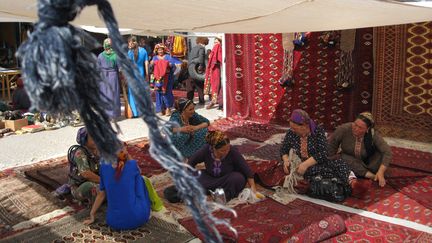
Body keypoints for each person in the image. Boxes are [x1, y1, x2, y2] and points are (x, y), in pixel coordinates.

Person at [280, 109, 353, 197]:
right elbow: (284, 149)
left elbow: (323, 153)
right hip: (299, 164)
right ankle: (323, 183)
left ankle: (343, 184)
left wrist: (306, 164)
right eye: (291, 128)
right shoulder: (291, 133)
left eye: (295, 128)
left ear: (304, 126)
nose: (292, 130)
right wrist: (286, 160)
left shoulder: (318, 132)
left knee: (340, 165)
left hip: (315, 164)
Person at [83, 147, 160, 230]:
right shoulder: (132, 165)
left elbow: (101, 195)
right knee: (141, 180)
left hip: (114, 222)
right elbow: (138, 170)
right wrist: (127, 156)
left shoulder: (103, 168)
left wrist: (92, 214)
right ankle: (144, 204)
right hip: (139, 218)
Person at [188, 130, 260, 201]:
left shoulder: (232, 151)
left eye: (228, 148)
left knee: (237, 178)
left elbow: (247, 170)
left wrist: (253, 187)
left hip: (226, 179)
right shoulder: (206, 150)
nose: (226, 152)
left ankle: (218, 196)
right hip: (210, 178)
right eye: (222, 150)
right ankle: (211, 192)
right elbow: (191, 162)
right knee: (194, 176)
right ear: (213, 148)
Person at [328, 112, 392, 187]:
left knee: (382, 157)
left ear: (367, 129)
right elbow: (331, 145)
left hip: (371, 163)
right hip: (351, 162)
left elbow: (387, 152)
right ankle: (373, 176)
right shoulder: (344, 129)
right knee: (341, 158)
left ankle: (377, 174)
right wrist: (329, 162)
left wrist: (381, 172)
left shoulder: (373, 134)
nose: (356, 129)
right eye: (355, 124)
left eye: (360, 128)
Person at [68, 127, 100, 204]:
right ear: (84, 140)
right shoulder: (80, 153)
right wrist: (106, 181)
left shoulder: (97, 150)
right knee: (91, 187)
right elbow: (86, 174)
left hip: (97, 180)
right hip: (81, 185)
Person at [97, 38, 121, 120]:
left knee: (105, 94)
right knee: (113, 95)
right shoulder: (115, 55)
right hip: (113, 76)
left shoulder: (100, 55)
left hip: (103, 76)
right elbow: (120, 68)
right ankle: (114, 115)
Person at [150, 43, 176, 116]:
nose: (160, 51)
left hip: (167, 78)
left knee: (167, 93)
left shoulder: (168, 57)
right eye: (159, 50)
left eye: (161, 50)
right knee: (158, 94)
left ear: (164, 50)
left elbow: (173, 67)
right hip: (158, 79)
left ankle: (168, 108)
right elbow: (151, 68)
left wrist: (170, 65)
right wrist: (151, 64)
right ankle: (160, 110)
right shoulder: (154, 58)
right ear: (156, 51)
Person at [127, 36, 149, 117]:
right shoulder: (143, 50)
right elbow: (146, 63)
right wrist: (147, 75)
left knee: (132, 93)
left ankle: (134, 112)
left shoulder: (130, 52)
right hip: (141, 74)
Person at [187, 37, 209, 104]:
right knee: (199, 86)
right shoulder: (201, 48)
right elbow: (200, 59)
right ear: (204, 42)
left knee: (190, 86)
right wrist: (201, 66)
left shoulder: (194, 48)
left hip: (190, 69)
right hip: (197, 69)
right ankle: (201, 101)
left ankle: (189, 101)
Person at [204, 37, 223, 110]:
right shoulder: (217, 48)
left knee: (216, 85)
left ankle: (215, 101)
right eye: (214, 42)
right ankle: (216, 100)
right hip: (213, 69)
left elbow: (219, 58)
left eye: (217, 42)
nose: (215, 44)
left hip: (216, 68)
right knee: (214, 85)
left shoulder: (218, 47)